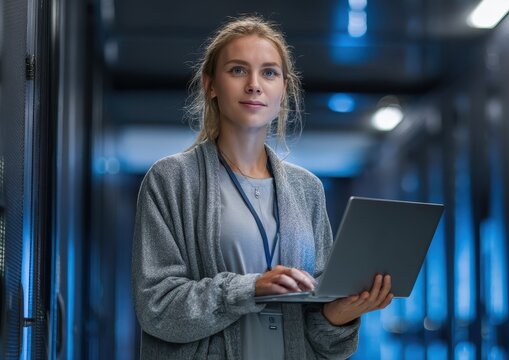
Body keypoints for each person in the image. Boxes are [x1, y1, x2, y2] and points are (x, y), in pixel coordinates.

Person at [131, 15, 393, 359]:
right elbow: (157, 307)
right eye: (238, 70)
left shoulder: (306, 190)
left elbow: (320, 333)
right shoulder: (171, 180)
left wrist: (342, 314)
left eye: (269, 72)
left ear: (283, 88)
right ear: (210, 84)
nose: (254, 84)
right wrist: (248, 289)